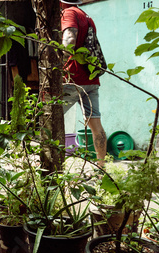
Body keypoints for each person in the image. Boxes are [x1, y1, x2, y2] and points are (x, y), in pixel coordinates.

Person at [60, 0, 106, 167]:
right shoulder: (86, 16)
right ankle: (102, 167)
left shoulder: (69, 13)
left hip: (73, 76)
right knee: (96, 125)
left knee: (50, 118)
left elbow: (69, 40)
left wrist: (58, 65)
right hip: (91, 78)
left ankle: (54, 166)